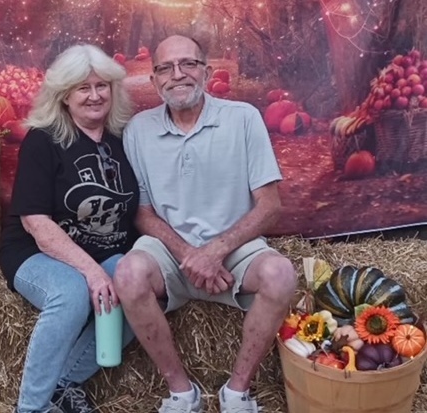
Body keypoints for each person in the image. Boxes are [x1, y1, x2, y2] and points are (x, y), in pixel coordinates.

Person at [113, 35, 297, 413]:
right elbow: (143, 213)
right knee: (128, 274)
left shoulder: (243, 118)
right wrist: (190, 255)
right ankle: (181, 393)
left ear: (207, 72)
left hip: (234, 251)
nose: (177, 74)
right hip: (171, 253)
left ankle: (237, 392)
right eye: (166, 68)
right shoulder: (137, 131)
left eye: (188, 64)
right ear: (154, 79)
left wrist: (215, 251)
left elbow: (269, 206)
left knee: (280, 275)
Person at [0, 44, 139, 413]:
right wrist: (92, 272)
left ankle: (65, 382)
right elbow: (35, 222)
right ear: (64, 95)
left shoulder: (124, 138)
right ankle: (32, 407)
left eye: (101, 86)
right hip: (36, 251)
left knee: (141, 288)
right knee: (72, 292)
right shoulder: (44, 139)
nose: (94, 96)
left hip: (106, 249)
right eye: (82, 88)